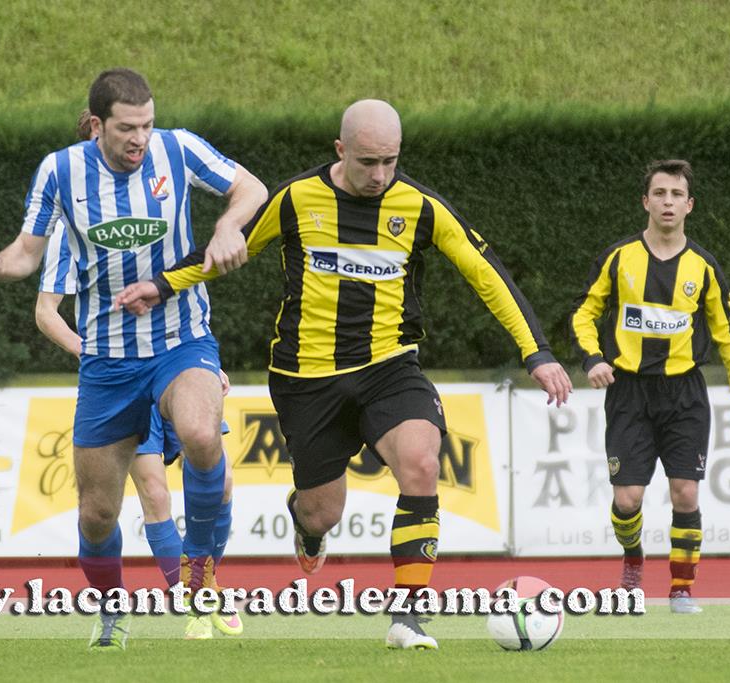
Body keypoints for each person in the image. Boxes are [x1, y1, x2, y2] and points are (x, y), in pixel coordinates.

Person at [114, 99, 572, 650]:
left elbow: (486, 274)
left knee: (423, 464)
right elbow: (228, 249)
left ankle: (408, 618)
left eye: (391, 162)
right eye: (368, 162)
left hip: (390, 367)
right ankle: (305, 523)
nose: (380, 175)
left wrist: (537, 352)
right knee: (323, 511)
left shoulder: (420, 207)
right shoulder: (297, 198)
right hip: (307, 379)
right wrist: (163, 285)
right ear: (340, 150)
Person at [0, 68, 267, 650]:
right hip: (107, 359)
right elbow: (27, 253)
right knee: (97, 514)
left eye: (147, 126)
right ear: (97, 124)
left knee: (204, 436)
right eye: (128, 128)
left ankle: (200, 579)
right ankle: (111, 611)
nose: (140, 139)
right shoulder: (61, 171)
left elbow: (250, 188)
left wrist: (228, 226)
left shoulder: (177, 149)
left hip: (183, 339)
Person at [36, 207, 242, 640]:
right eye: (116, 132)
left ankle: (204, 584)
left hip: (179, 360)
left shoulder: (167, 204)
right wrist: (89, 352)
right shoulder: (71, 226)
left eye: (141, 132)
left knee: (218, 481)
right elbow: (46, 311)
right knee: (141, 498)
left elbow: (189, 287)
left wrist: (203, 367)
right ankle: (179, 606)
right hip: (118, 376)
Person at [570, 159, 730, 614]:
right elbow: (583, 314)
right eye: (660, 193)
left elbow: (729, 332)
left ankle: (681, 589)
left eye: (676, 195)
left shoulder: (704, 267)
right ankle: (633, 559)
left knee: (685, 492)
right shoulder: (619, 258)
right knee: (626, 498)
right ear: (645, 201)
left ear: (689, 205)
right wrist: (593, 358)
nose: (667, 202)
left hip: (684, 394)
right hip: (629, 392)